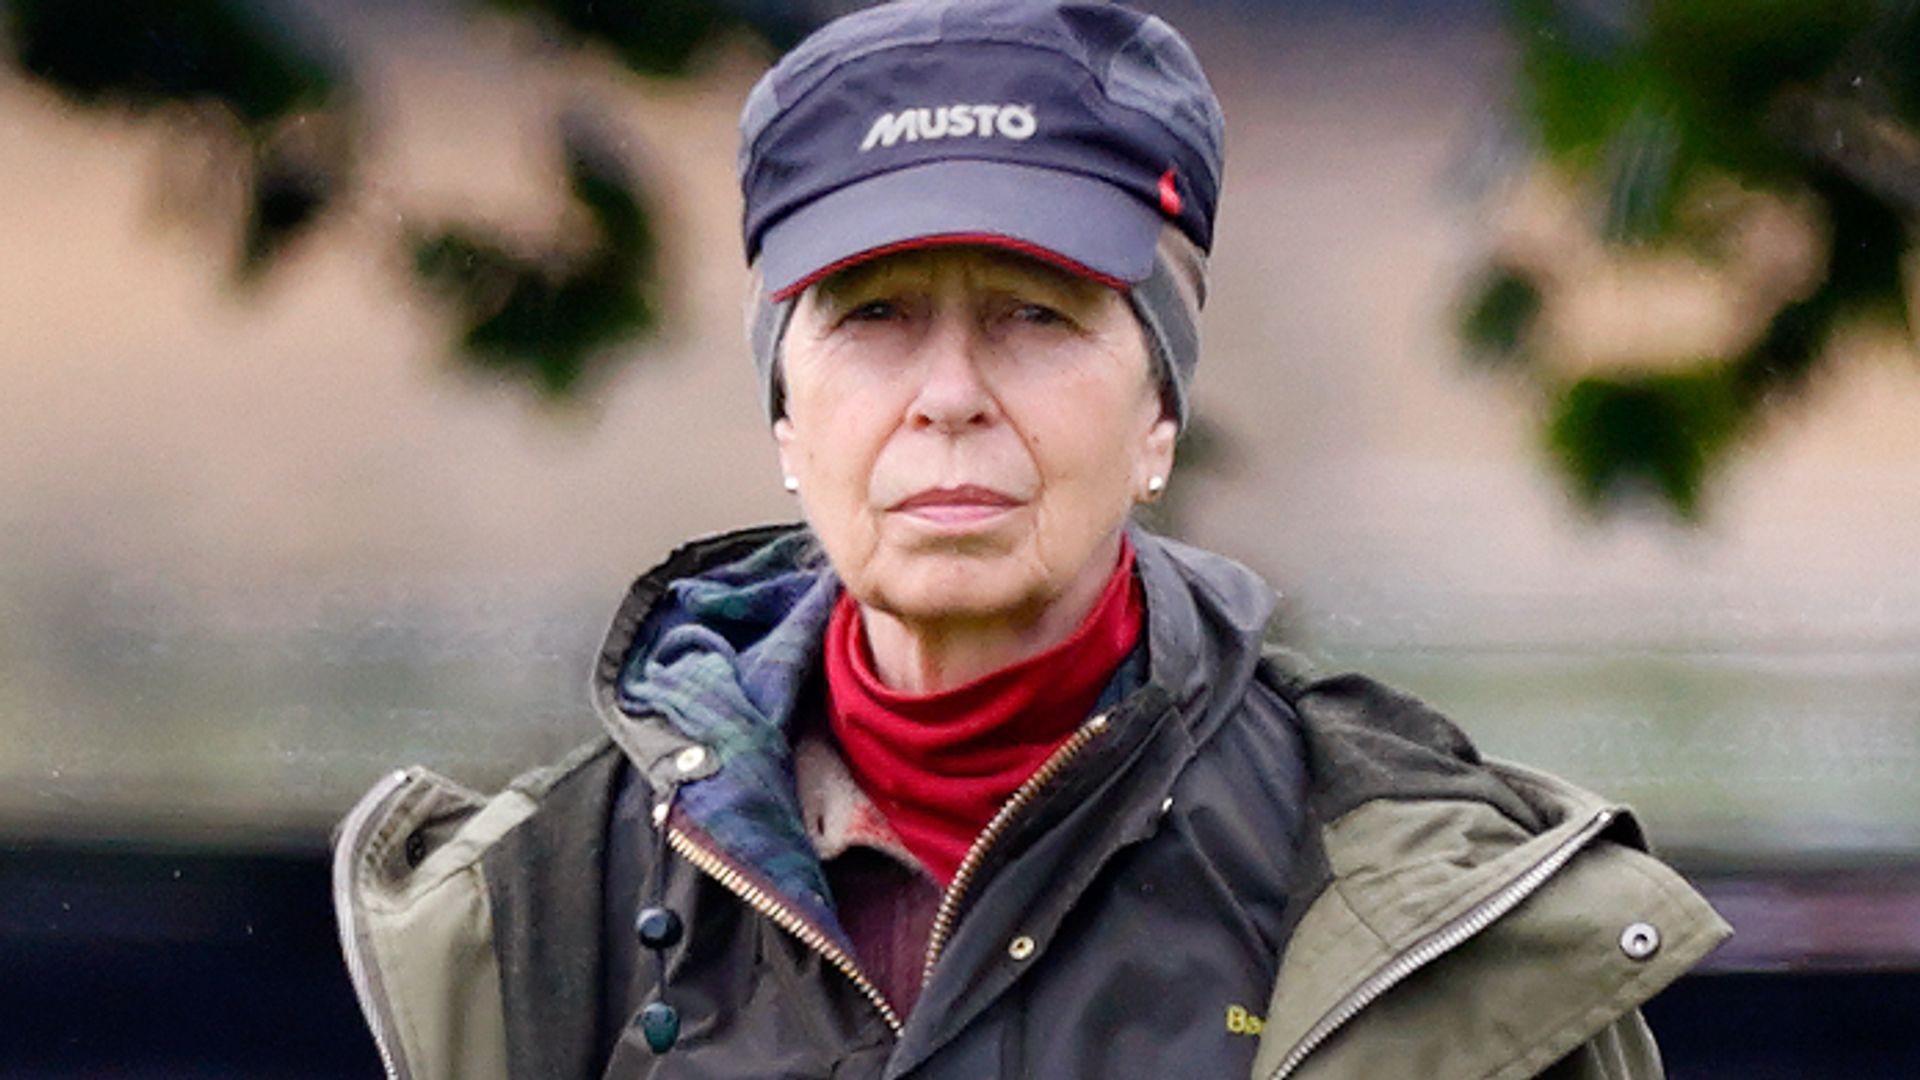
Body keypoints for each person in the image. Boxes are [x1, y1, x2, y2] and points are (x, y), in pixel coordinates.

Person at [332, 1, 1731, 1077]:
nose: (949, 395)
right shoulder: (525, 915)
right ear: (785, 418)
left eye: (1034, 314)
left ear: (1159, 416)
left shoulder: (1431, 907)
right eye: (874, 316)